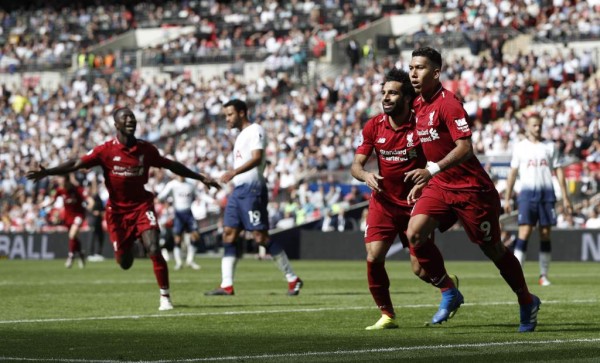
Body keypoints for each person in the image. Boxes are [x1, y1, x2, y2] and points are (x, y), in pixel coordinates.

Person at [27, 106, 221, 311]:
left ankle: (165, 296)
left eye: (133, 118)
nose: (130, 120)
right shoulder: (105, 150)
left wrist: (201, 178)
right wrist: (48, 172)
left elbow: (171, 165)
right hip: (117, 213)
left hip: (141, 206)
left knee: (154, 248)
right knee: (124, 262)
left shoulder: (146, 149)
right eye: (125, 118)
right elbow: (77, 162)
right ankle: (131, 244)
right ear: (116, 124)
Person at [404, 47, 541, 332]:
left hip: (471, 190)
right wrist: (425, 179)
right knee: (414, 233)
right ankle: (449, 291)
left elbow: (465, 147)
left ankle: (526, 300)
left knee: (493, 250)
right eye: (411, 67)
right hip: (440, 185)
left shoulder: (449, 104)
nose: (413, 73)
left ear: (436, 73)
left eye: (420, 68)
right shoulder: (417, 105)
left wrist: (430, 170)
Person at [351, 67, 459, 330]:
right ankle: (387, 314)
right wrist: (366, 175)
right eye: (384, 93)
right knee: (373, 256)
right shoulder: (374, 126)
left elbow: (438, 160)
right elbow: (355, 165)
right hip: (384, 203)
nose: (386, 98)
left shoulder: (422, 126)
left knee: (420, 270)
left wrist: (428, 182)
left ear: (407, 98)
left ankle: (449, 287)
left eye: (393, 93)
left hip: (415, 204)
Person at [205, 99, 303, 296]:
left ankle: (293, 279)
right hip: (238, 191)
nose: (227, 118)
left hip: (252, 191)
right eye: (226, 115)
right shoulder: (241, 135)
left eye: (230, 114)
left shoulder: (255, 129)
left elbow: (258, 157)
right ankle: (227, 285)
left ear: (242, 113)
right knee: (229, 234)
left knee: (260, 237)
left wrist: (233, 172)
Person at [504, 114, 573, 286]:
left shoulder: (550, 146)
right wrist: (506, 198)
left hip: (547, 196)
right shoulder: (520, 147)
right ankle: (517, 276)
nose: (537, 128)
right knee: (524, 233)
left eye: (539, 125)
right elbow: (512, 173)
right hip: (527, 196)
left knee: (545, 234)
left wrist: (565, 198)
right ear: (527, 127)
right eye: (534, 125)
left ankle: (543, 275)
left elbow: (559, 171)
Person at [156, 174, 204, 270]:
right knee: (177, 238)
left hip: (189, 213)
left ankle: (190, 260)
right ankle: (178, 262)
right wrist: (158, 199)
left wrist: (213, 201)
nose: (182, 176)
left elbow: (201, 195)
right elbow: (163, 194)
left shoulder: (190, 185)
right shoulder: (172, 184)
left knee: (195, 236)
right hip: (178, 214)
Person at [51, 174, 87, 268]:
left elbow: (85, 197)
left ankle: (71, 256)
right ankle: (80, 254)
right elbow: (53, 200)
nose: (59, 180)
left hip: (79, 214)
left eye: (60, 178)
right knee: (74, 237)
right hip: (68, 217)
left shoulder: (75, 189)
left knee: (72, 234)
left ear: (66, 180)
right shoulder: (60, 190)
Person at [86, 175, 106, 262]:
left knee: (100, 236)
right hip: (93, 219)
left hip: (99, 220)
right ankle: (91, 254)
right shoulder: (91, 197)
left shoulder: (98, 197)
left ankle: (98, 253)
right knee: (93, 236)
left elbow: (102, 209)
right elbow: (89, 208)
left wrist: (101, 212)